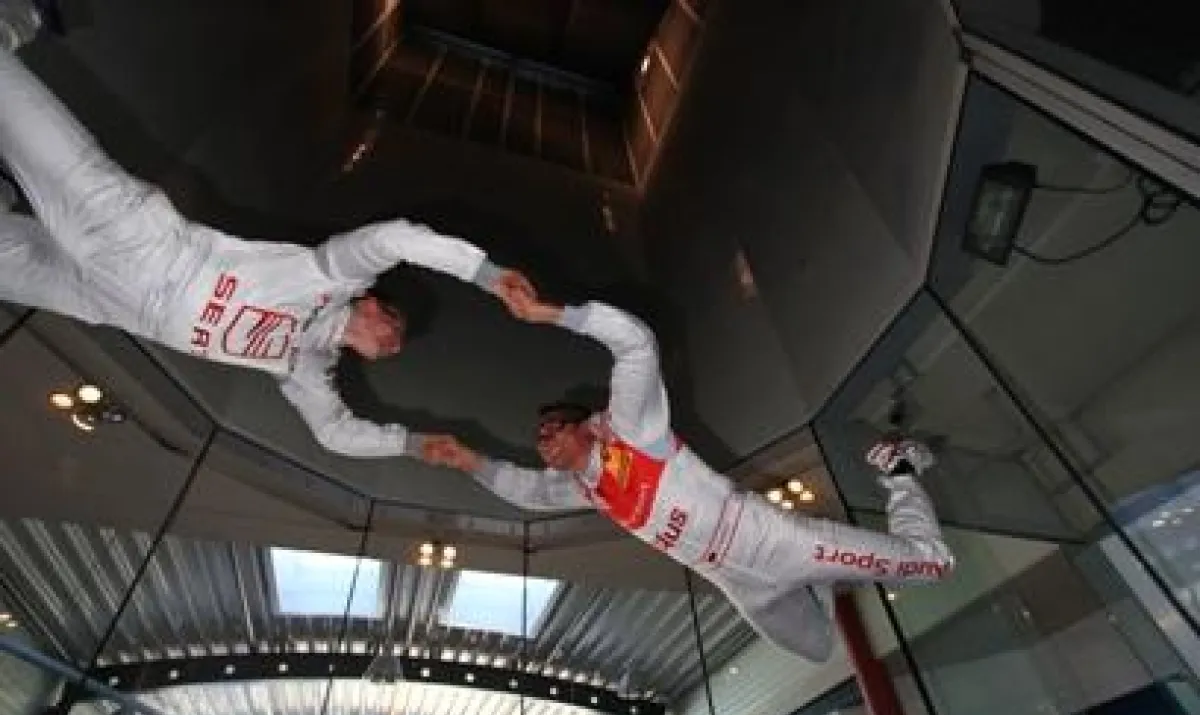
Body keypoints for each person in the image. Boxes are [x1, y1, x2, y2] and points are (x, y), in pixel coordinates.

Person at [0, 1, 531, 458]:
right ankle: (18, 18)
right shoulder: (330, 280)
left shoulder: (308, 366)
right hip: (141, 244)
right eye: (397, 329)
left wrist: (411, 445)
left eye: (395, 346)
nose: (396, 347)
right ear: (371, 304)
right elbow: (389, 240)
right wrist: (485, 274)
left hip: (109, 303)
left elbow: (335, 433)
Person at [418, 286, 956, 662]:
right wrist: (468, 461)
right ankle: (825, 572)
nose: (543, 441)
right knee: (818, 649)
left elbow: (636, 343)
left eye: (552, 428)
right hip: (737, 581)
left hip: (774, 539)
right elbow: (529, 492)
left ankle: (900, 468)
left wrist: (553, 313)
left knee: (931, 565)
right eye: (539, 437)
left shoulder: (633, 432)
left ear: (586, 426)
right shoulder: (586, 486)